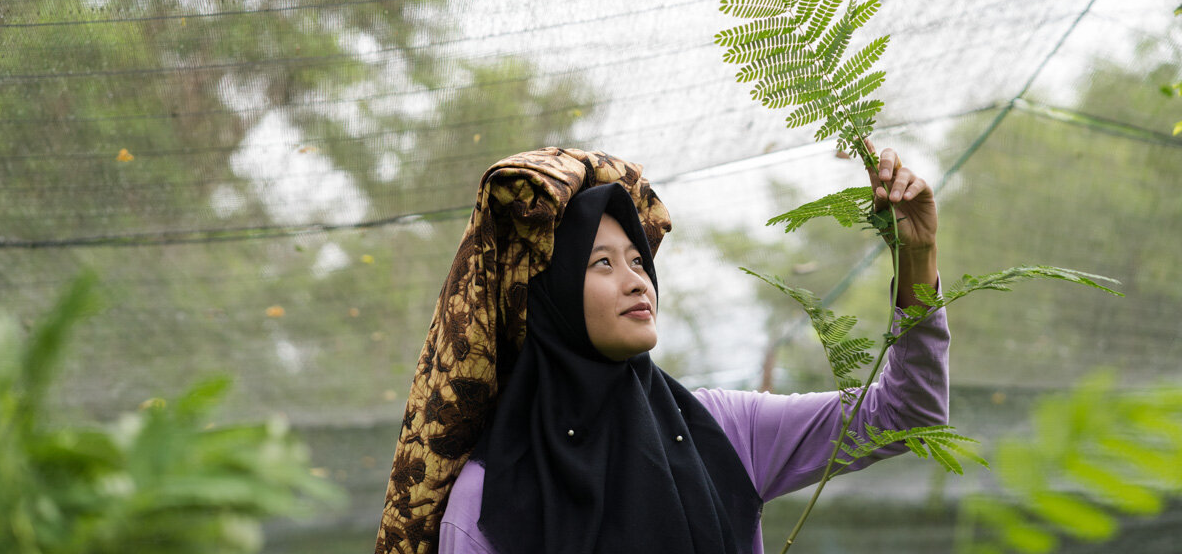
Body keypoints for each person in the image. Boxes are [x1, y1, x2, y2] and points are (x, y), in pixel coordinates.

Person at [376, 146, 947, 554]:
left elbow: (904, 416)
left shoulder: (721, 430)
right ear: (545, 297)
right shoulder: (485, 503)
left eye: (638, 261)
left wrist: (917, 257)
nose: (637, 280)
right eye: (602, 262)